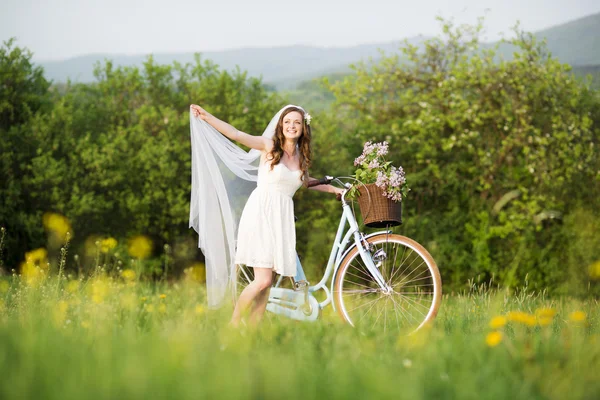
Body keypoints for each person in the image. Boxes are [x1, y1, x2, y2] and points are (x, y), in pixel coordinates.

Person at [189, 104, 343, 326]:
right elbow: (236, 134)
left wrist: (335, 190)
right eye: (287, 122)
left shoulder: (300, 156)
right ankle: (232, 326)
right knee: (262, 280)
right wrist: (207, 116)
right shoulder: (269, 145)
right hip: (261, 214)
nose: (292, 126)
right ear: (281, 125)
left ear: (303, 128)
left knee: (267, 284)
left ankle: (251, 336)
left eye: (297, 123)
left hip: (281, 220)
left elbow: (306, 182)